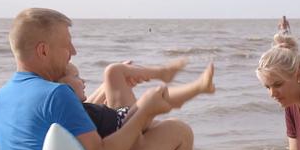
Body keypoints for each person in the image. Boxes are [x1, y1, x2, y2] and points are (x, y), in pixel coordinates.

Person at [0, 8, 210, 150]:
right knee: (177, 131)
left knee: (137, 132)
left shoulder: (4, 95)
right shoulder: (57, 94)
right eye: (66, 44)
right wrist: (145, 112)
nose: (73, 51)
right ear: (43, 51)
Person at [60, 60, 214, 138]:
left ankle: (164, 73)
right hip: (124, 124)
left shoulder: (73, 108)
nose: (83, 81)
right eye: (76, 76)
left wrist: (112, 85)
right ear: (61, 86)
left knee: (114, 72)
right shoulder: (69, 108)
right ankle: (198, 86)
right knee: (154, 97)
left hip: (118, 118)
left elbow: (89, 107)